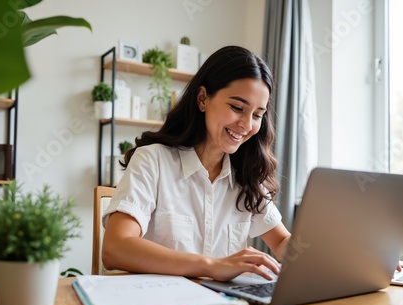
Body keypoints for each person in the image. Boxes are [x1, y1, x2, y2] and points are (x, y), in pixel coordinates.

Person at [101, 45, 291, 282]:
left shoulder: (246, 176)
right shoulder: (153, 161)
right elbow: (115, 249)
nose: (246, 124)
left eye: (257, 115)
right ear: (203, 99)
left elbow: (282, 241)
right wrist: (211, 266)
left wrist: (318, 249)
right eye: (237, 107)